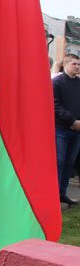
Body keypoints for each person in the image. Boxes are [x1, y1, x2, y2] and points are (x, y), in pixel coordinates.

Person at [53, 53, 80, 206]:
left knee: (70, 162)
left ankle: (63, 193)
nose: (77, 67)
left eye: (79, 64)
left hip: (77, 130)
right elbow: (55, 105)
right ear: (66, 64)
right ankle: (54, 193)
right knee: (60, 161)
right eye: (74, 64)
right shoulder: (57, 82)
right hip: (61, 129)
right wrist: (72, 120)